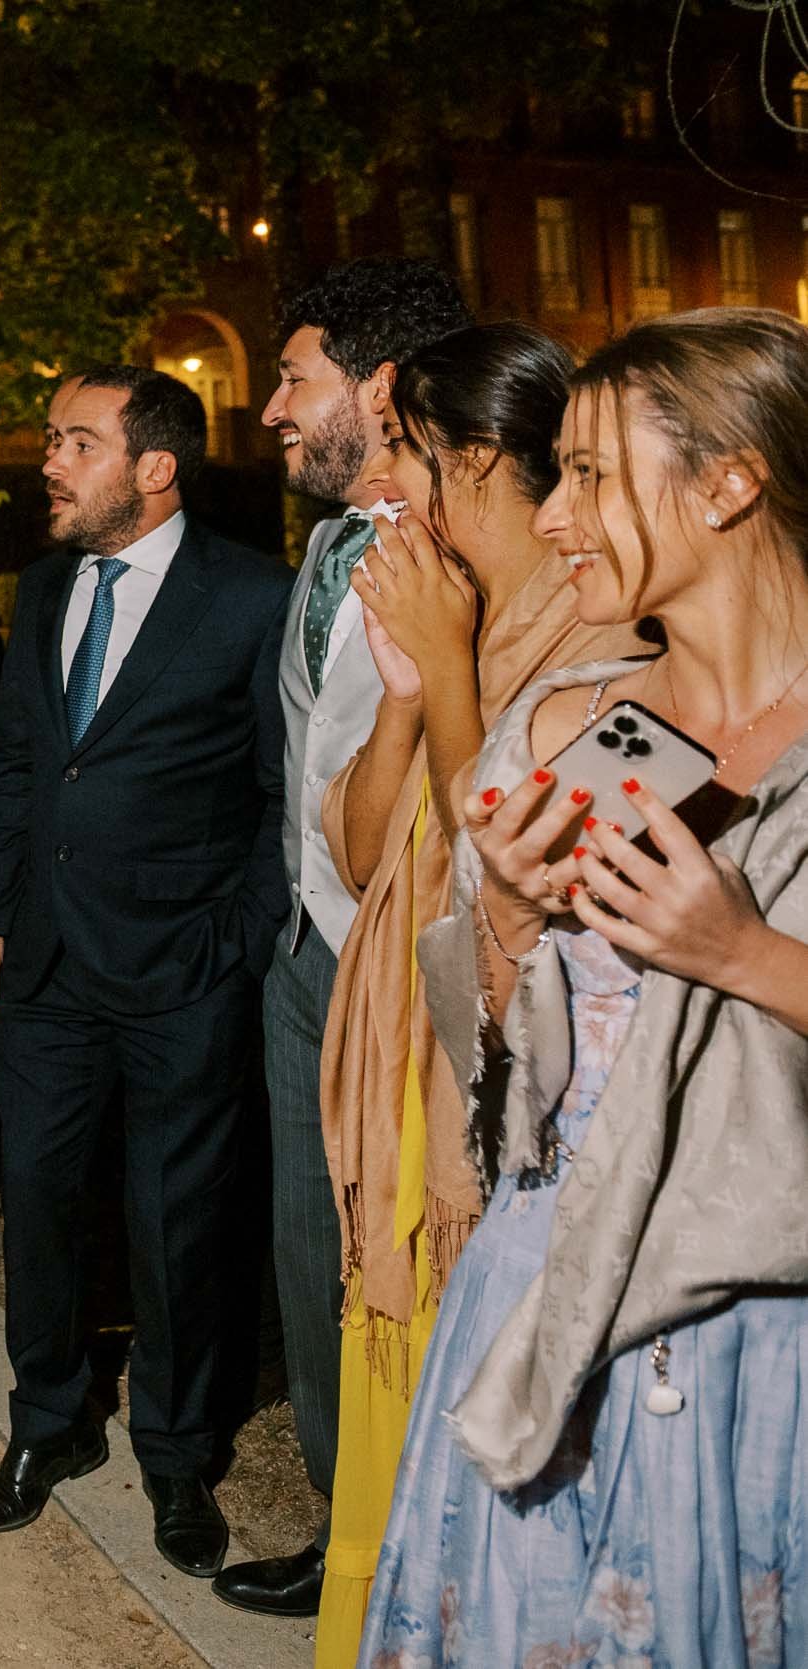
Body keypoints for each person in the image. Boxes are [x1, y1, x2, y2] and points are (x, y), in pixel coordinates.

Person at [359, 308, 808, 1664]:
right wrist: (501, 912)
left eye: (594, 475)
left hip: (763, 1333)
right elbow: (500, 1067)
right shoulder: (569, 725)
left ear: (732, 481)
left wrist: (750, 956)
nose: (556, 519)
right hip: (550, 1302)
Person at [308, 323, 642, 1663]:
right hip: (407, 1059)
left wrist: (447, 669)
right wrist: (403, 695)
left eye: (410, 458)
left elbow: (510, 884)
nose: (396, 492)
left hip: (499, 1097)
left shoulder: (610, 638)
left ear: (474, 458)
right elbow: (361, 851)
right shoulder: (450, 602)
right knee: (385, 1430)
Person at [0, 364, 290, 1579]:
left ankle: (177, 1454)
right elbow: (26, 765)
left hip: (182, 969)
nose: (48, 461)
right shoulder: (41, 591)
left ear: (155, 466)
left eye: (74, 442)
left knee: (178, 1222)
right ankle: (46, 1427)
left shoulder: (253, 598)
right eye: (51, 438)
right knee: (34, 1205)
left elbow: (278, 798)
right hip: (39, 965)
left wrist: (234, 942)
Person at [216, 257, 473, 1622]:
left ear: (379, 386)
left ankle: (435, 1555)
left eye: (295, 377)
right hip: (307, 963)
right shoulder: (321, 550)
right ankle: (344, 1528)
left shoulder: (482, 552)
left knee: (419, 1262)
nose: (267, 410)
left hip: (427, 973)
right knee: (313, 1256)